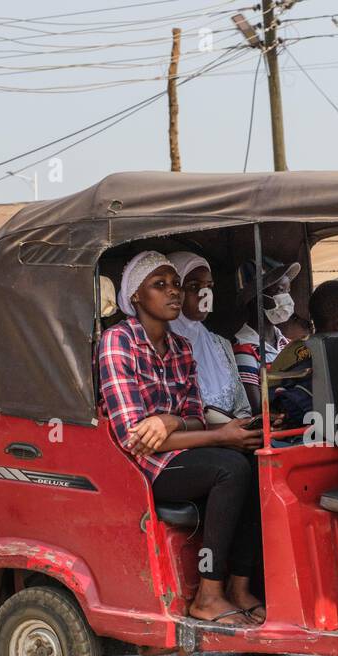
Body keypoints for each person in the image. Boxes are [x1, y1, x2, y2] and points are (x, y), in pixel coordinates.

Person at [97, 250, 266, 627]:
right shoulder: (117, 343)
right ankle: (208, 595)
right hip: (140, 469)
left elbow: (191, 416)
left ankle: (240, 587)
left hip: (181, 453)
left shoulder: (181, 348)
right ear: (136, 297)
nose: (173, 293)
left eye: (175, 284)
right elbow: (135, 439)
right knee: (231, 469)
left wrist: (170, 419)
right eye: (160, 285)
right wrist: (217, 435)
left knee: (258, 463)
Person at [167, 250, 252, 423]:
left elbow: (243, 407)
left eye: (209, 287)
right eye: (193, 286)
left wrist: (244, 427)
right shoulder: (163, 346)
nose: (205, 295)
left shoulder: (221, 345)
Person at [232, 259, 298, 414]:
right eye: (280, 291)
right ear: (255, 298)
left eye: (288, 291)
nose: (287, 298)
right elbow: (258, 408)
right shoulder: (244, 349)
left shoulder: (286, 343)